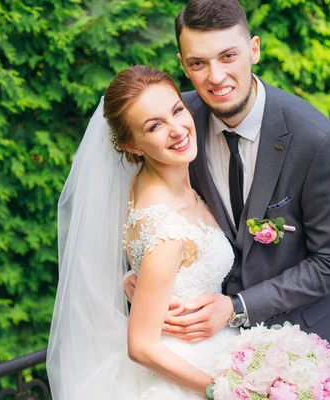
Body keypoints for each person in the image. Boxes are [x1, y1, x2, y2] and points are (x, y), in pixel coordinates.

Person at [123, 0, 330, 377]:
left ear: (254, 49)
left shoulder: (316, 139)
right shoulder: (176, 124)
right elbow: (147, 210)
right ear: (183, 64)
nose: (216, 76)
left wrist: (237, 306)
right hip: (215, 355)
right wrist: (137, 276)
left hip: (309, 350)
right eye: (198, 63)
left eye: (228, 56)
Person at [47, 65, 239, 399]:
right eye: (155, 126)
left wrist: (132, 279)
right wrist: (221, 389)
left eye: (177, 110)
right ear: (132, 145)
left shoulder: (145, 184)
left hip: (215, 348)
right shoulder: (167, 226)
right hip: (186, 374)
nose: (177, 129)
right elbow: (141, 345)